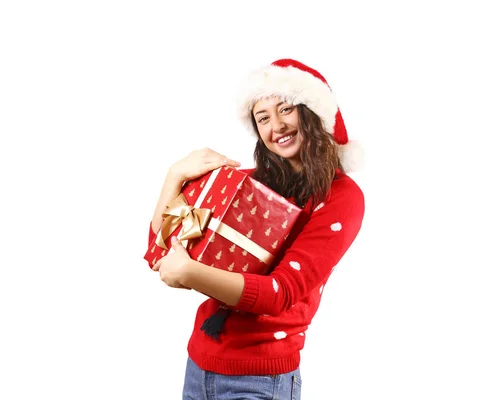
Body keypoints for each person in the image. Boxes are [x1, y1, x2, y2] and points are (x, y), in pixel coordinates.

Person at [148, 58, 365, 399]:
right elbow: (162, 246)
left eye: (286, 109)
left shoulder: (341, 197)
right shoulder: (248, 185)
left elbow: (279, 293)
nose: (276, 125)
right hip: (199, 364)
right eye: (263, 118)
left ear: (312, 112)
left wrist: (190, 273)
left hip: (260, 380)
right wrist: (173, 176)